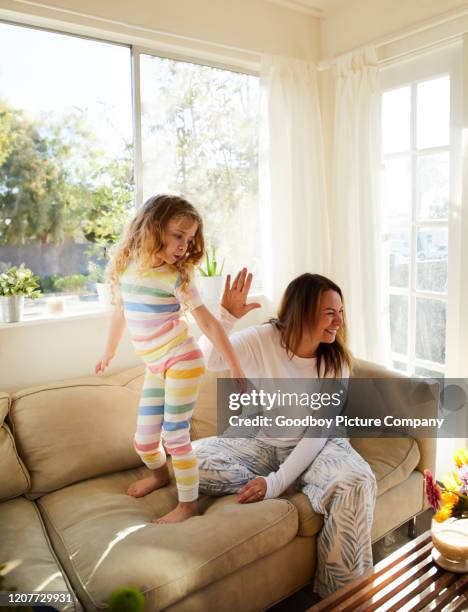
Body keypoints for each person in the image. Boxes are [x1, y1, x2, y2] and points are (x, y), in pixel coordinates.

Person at [195, 269, 377, 598]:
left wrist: (274, 483)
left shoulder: (336, 362)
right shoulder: (261, 340)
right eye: (329, 313)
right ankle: (296, 480)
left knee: (357, 481)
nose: (338, 321)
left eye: (340, 313)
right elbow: (208, 359)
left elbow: (318, 431)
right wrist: (224, 318)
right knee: (188, 463)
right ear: (303, 311)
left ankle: (344, 600)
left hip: (319, 443)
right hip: (261, 440)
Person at [95, 194, 245, 524]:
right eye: (178, 235)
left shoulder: (178, 277)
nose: (183, 246)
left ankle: (187, 505)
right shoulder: (127, 271)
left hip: (182, 359)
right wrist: (108, 351)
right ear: (152, 228)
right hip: (155, 367)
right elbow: (121, 311)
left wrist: (235, 365)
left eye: (189, 239)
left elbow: (207, 322)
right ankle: (160, 475)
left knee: (175, 435)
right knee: (145, 441)